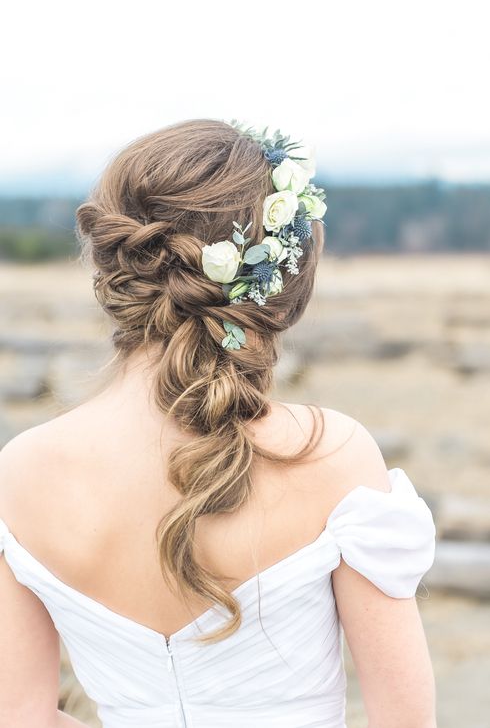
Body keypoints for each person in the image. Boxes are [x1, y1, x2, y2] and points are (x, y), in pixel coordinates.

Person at [0, 119, 437, 728]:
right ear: (283, 281)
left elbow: (20, 717)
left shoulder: (22, 470)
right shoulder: (331, 454)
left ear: (114, 267)